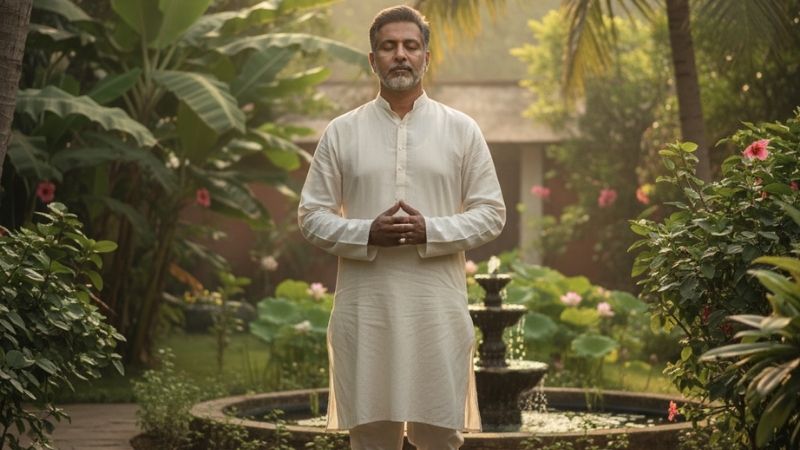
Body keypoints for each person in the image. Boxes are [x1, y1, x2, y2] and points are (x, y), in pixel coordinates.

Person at [298, 5, 505, 449]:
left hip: (436, 310)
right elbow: (311, 216)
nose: (400, 55)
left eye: (411, 46)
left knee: (440, 437)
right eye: (388, 47)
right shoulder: (342, 132)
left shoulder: (461, 130)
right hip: (366, 312)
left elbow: (492, 212)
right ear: (372, 59)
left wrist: (430, 229)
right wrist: (364, 233)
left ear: (426, 57)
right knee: (370, 437)